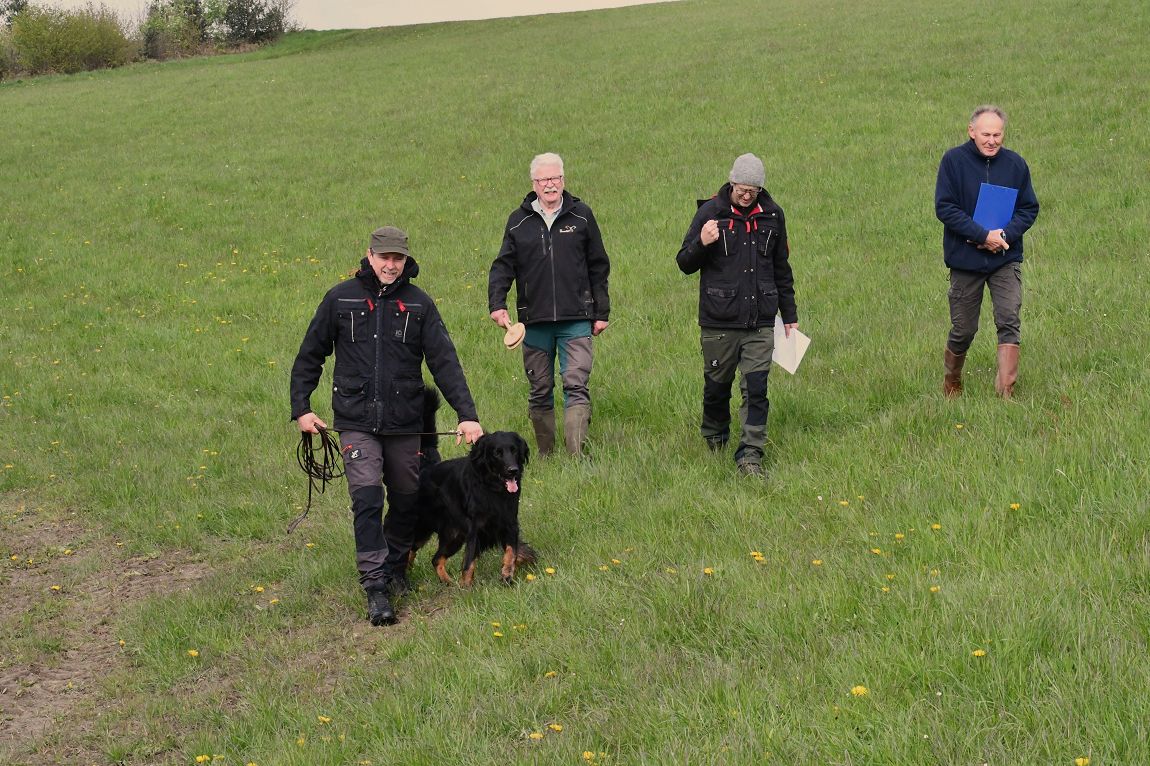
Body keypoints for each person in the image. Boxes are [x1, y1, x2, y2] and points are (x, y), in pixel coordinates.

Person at [290, 226, 483, 626]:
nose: (391, 265)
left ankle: (396, 565)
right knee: (366, 499)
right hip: (355, 420)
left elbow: (444, 362)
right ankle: (375, 585)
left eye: (397, 258)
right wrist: (302, 408)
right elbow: (310, 354)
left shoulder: (419, 304)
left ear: (405, 260)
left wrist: (467, 414)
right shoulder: (340, 298)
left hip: (404, 421)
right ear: (370, 256)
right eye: (384, 257)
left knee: (407, 498)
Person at [676, 153, 798, 480]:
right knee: (717, 387)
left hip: (760, 321)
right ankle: (715, 438)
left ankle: (750, 456)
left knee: (756, 388)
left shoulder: (773, 215)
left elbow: (781, 269)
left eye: (753, 191)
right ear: (731, 183)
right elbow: (684, 262)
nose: (746, 196)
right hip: (718, 322)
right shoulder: (709, 213)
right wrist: (702, 243)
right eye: (742, 189)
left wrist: (790, 316)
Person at [488, 152, 611, 456]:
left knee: (576, 385)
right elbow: (503, 265)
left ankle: (577, 456)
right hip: (534, 321)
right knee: (540, 389)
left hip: (576, 318)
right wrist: (497, 303)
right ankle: (546, 454)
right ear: (534, 183)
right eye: (543, 179)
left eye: (555, 178)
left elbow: (599, 265)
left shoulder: (582, 215)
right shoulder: (518, 221)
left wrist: (601, 311)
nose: (550, 184)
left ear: (563, 180)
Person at [936, 105, 1039, 399]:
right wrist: (982, 235)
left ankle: (1006, 391)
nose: (992, 140)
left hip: (1004, 258)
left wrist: (1003, 236)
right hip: (965, 261)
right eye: (986, 134)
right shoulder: (953, 162)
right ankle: (952, 380)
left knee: (1009, 319)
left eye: (997, 134)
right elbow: (945, 207)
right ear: (971, 132)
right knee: (964, 329)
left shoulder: (1016, 165)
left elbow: (1028, 208)